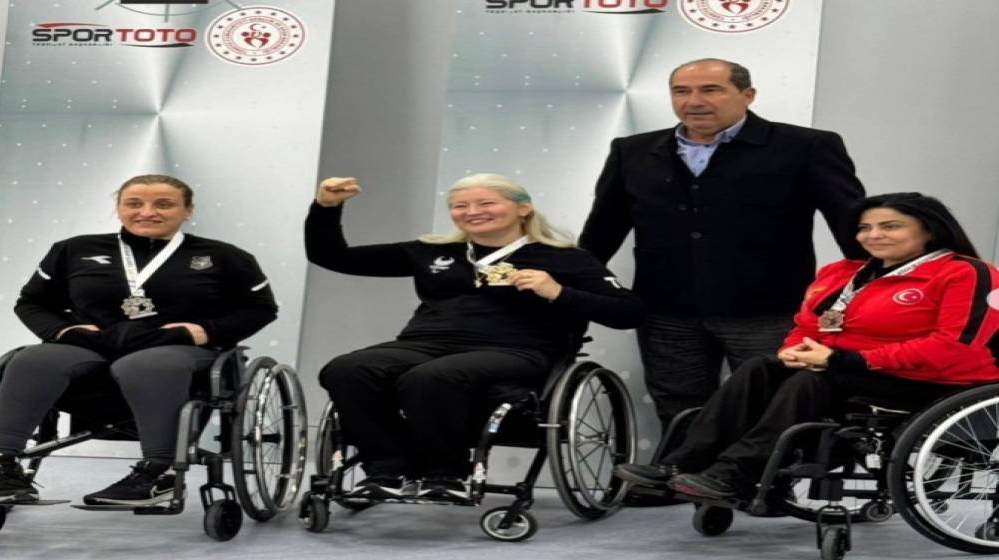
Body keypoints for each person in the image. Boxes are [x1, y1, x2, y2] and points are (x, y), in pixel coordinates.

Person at [578, 58, 866, 492]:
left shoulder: (806, 146)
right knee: (677, 401)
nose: (693, 101)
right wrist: (577, 290)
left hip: (768, 306)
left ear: (747, 96)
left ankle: (759, 485)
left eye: (710, 89)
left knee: (772, 399)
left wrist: (867, 293)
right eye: (681, 91)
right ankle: (676, 481)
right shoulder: (632, 150)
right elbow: (602, 231)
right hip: (666, 306)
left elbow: (852, 226)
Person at [615, 192, 999, 499]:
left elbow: (955, 346)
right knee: (760, 368)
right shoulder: (842, 273)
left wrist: (846, 359)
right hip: (847, 369)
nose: (873, 235)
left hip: (934, 383)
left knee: (814, 381)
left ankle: (735, 474)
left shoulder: (966, 273)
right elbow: (808, 325)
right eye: (865, 227)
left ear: (929, 231)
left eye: (890, 226)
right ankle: (681, 464)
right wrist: (796, 350)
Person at [306, 173, 643, 500]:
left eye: (486, 203)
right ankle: (386, 470)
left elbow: (628, 312)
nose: (472, 212)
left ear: (523, 208)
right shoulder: (432, 251)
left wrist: (557, 291)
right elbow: (331, 256)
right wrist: (326, 207)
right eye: (460, 206)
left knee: (431, 378)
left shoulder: (565, 258)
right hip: (424, 344)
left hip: (516, 350)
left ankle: (446, 473)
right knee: (347, 369)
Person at [0, 174, 278, 506]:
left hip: (176, 348)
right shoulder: (75, 249)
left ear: (188, 210)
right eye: (134, 203)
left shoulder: (224, 256)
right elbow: (31, 302)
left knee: (146, 366)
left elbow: (261, 308)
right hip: (93, 346)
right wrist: (63, 331)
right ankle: (3, 465)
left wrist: (203, 331)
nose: (147, 212)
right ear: (119, 208)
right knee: (32, 359)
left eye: (164, 204)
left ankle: (158, 472)